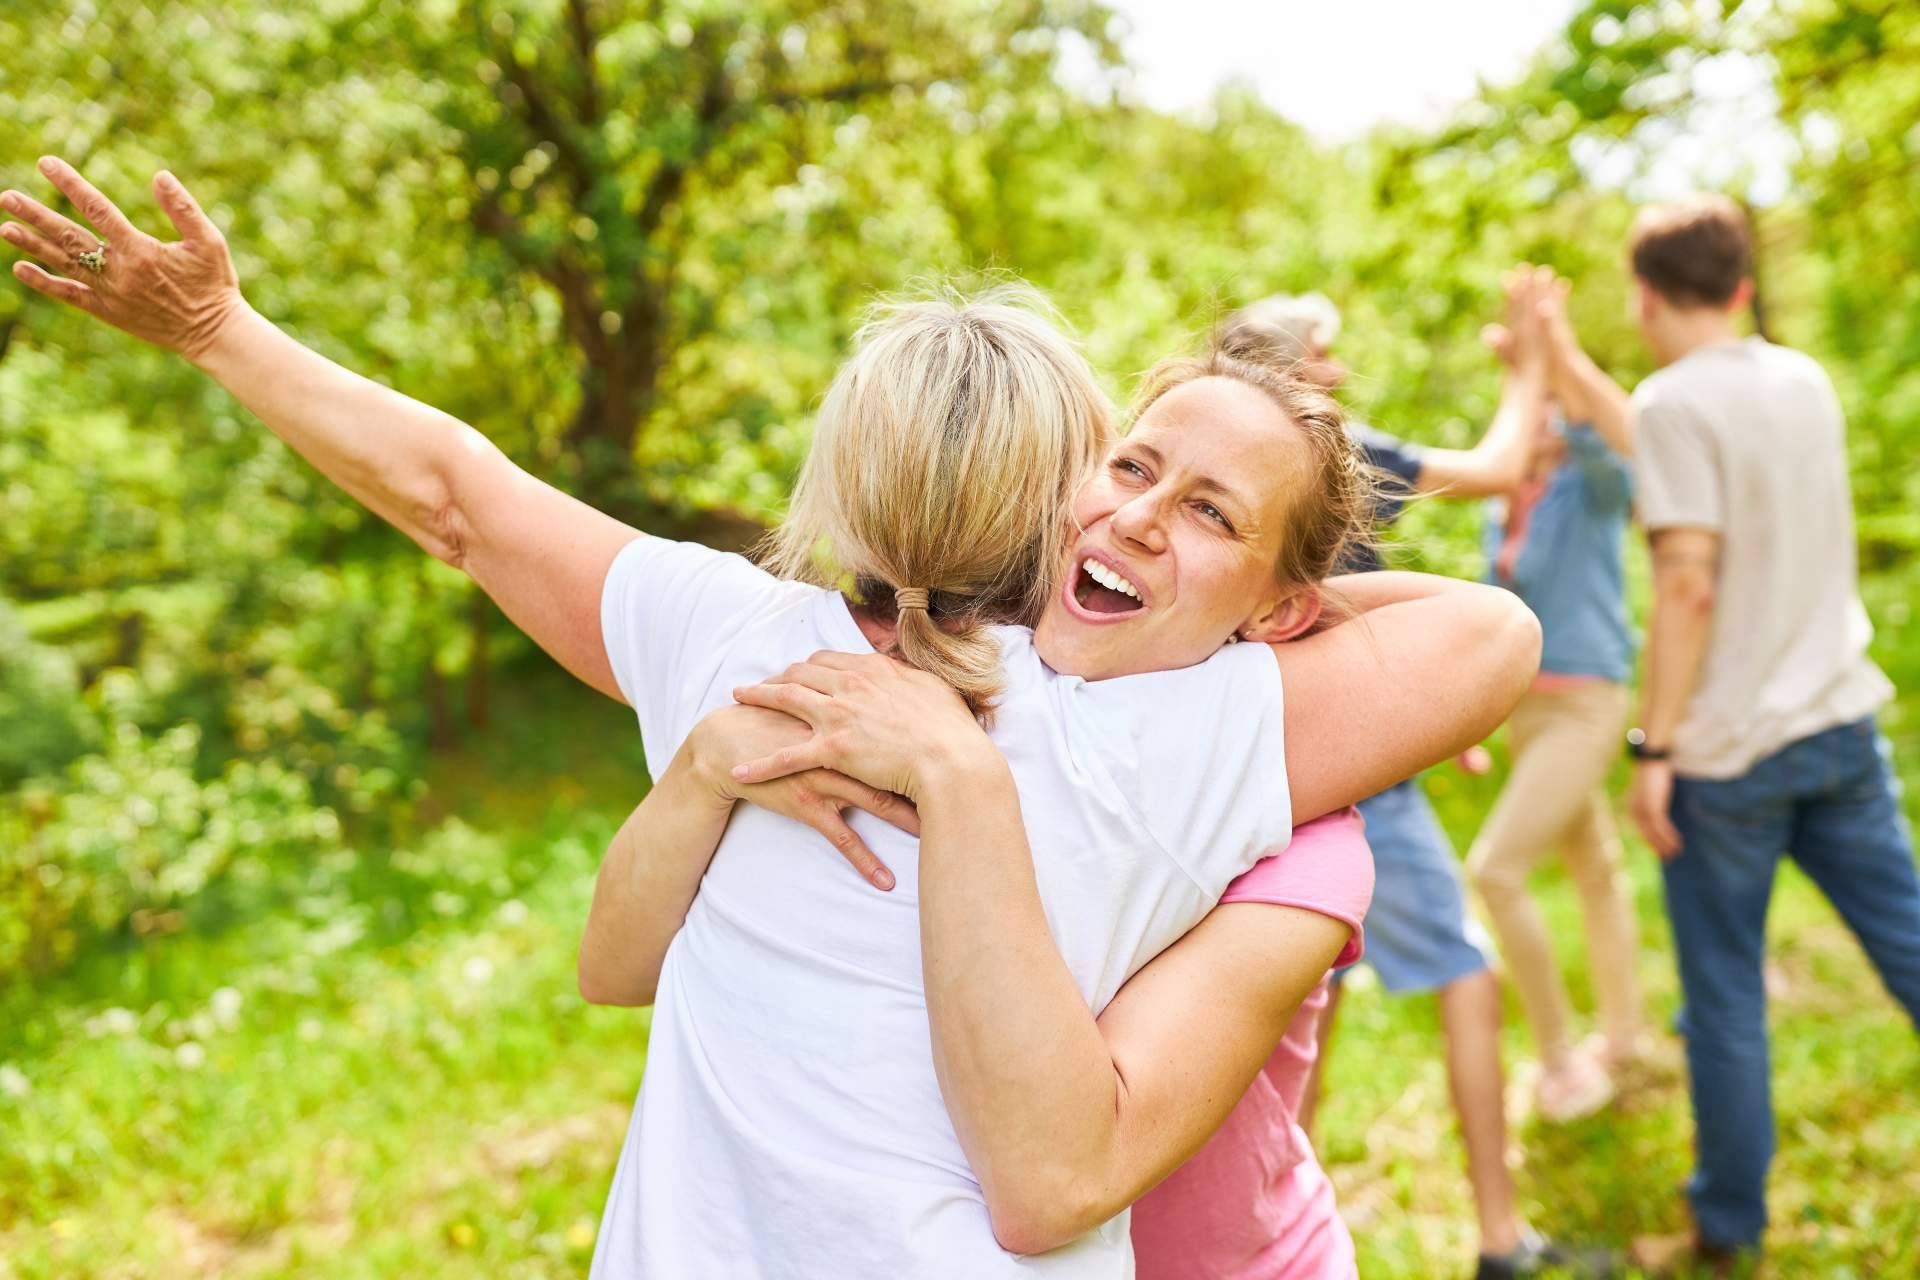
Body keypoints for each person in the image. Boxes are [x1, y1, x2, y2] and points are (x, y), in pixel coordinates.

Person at [4, 159, 1540, 1277]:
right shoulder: (1186, 734)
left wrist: (220, 332)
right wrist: (1255, 611)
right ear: (1064, 476)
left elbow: (460, 499)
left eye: (1203, 511)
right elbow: (1487, 633)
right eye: (1130, 469)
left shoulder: (736, 651)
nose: (1138, 522)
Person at [1547, 194, 1920, 1273]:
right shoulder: (1798, 380)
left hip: (1727, 757)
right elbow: (1672, 445)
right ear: (1745, 287)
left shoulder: (1674, 405)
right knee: (1907, 942)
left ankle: (1726, 1227)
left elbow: (1687, 581)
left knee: (1721, 997)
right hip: (1843, 724)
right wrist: (1567, 357)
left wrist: (1653, 750)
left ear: (1647, 296)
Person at [1225, 285, 1612, 1279]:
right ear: (1292, 369)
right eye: (1323, 352)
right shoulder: (1336, 447)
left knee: (1296, 1013)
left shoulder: (1222, 468)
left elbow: (1317, 611)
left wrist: (1428, 717)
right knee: (1467, 976)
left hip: (1257, 771)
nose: (1337, 372)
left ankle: (1258, 1236)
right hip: (1353, 787)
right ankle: (1498, 1237)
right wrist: (1529, 362)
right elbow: (1497, 469)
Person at [1462, 280, 1647, 1122]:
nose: (1537, 420)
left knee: (1495, 871)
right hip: (1525, 711)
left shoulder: (1594, 483)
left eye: (1548, 408)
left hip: (1586, 703)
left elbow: (1613, 439)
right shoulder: (1499, 508)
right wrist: (1467, 716)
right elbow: (1484, 613)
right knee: (1596, 871)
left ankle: (1564, 1062)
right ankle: (1628, 1035)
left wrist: (1553, 346)